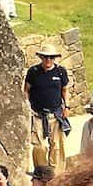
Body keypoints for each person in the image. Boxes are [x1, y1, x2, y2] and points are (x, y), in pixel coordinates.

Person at [24, 43, 71, 173]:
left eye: (51, 57)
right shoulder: (33, 72)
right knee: (39, 147)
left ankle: (56, 174)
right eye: (45, 57)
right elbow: (26, 90)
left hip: (56, 114)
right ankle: (42, 172)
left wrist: (67, 106)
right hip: (38, 114)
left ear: (54, 58)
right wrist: (28, 106)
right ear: (41, 58)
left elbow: (65, 90)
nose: (48, 60)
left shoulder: (61, 72)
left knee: (56, 146)